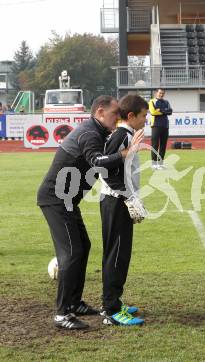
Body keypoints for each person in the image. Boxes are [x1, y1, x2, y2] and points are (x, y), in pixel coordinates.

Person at [37, 96, 144, 330]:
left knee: (83, 247)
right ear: (99, 112)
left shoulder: (98, 132)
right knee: (73, 252)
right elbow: (97, 161)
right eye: (114, 113)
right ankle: (62, 313)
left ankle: (75, 303)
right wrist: (126, 153)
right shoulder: (89, 133)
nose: (117, 117)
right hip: (55, 200)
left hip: (67, 202)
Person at [99, 95, 148, 326]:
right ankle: (111, 310)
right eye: (143, 116)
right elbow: (103, 167)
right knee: (116, 255)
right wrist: (127, 195)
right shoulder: (121, 134)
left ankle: (114, 302)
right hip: (115, 201)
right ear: (131, 116)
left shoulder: (128, 134)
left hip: (120, 200)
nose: (146, 120)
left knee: (120, 254)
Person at [148, 88, 172, 170]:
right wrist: (164, 111)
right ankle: (154, 164)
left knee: (163, 145)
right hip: (155, 125)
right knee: (155, 145)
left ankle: (160, 164)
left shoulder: (166, 102)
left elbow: (170, 112)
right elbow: (153, 112)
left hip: (165, 125)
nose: (161, 94)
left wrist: (160, 110)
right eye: (160, 93)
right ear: (156, 93)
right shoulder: (152, 101)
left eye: (162, 93)